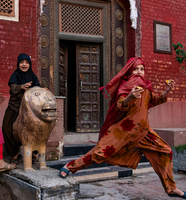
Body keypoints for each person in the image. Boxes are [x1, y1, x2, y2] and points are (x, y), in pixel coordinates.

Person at [59, 57, 186, 199]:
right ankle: (70, 167)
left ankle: (171, 189)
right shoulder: (125, 86)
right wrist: (130, 96)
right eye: (136, 69)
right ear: (130, 71)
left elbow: (153, 101)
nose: (139, 72)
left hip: (144, 133)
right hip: (123, 133)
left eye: (142, 69)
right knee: (98, 154)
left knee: (166, 151)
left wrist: (166, 91)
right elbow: (120, 105)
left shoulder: (146, 87)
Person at [2, 53, 41, 165]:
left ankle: (34, 154)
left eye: (26, 62)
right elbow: (13, 87)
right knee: (6, 127)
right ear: (18, 64)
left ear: (30, 64)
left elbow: (37, 87)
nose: (24, 65)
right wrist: (21, 87)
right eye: (21, 62)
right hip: (14, 107)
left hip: (29, 108)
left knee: (34, 128)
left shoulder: (33, 76)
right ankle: (14, 154)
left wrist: (42, 89)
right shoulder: (15, 75)